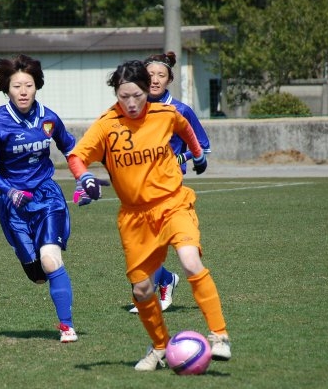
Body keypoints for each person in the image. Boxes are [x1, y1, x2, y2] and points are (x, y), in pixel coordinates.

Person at [67, 60, 231, 370]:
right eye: (123, 95)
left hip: (173, 204)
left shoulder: (165, 114)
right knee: (142, 289)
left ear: (148, 91)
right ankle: (159, 348)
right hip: (134, 218)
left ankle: (219, 336)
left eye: (137, 95)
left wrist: (196, 154)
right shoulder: (106, 124)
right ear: (116, 92)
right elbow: (77, 156)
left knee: (190, 260)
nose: (130, 103)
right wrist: (84, 178)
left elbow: (186, 128)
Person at [0, 54, 79, 343]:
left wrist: (85, 177)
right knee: (37, 273)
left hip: (47, 196)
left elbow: (71, 149)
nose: (23, 91)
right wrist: (9, 191)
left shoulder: (48, 117)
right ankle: (30, 260)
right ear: (7, 87)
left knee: (51, 259)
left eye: (28, 85)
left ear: (36, 86)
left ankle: (67, 326)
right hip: (13, 204)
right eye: (17, 85)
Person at [126, 51, 213, 313]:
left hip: (169, 189)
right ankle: (165, 280)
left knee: (163, 244)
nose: (154, 80)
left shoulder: (180, 110)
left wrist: (182, 156)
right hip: (140, 188)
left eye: (160, 75)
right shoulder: (134, 108)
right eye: (150, 74)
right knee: (141, 247)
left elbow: (204, 147)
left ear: (169, 79)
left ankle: (164, 288)